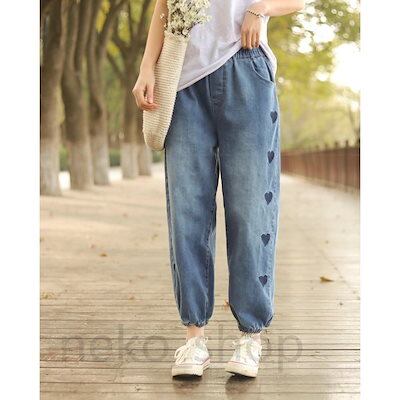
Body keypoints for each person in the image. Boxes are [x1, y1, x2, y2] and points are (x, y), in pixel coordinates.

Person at [133, 0, 305, 378]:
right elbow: (164, 6)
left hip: (246, 68)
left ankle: (250, 335)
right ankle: (194, 338)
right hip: (182, 81)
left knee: (250, 210)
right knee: (187, 213)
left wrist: (261, 8)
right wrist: (147, 67)